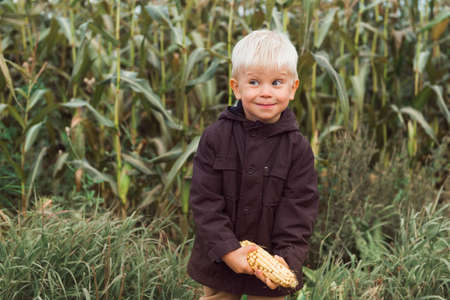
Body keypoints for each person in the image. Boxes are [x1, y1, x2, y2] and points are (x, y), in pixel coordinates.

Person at [187, 29, 319, 300]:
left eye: (277, 83)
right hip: (218, 260)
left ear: (293, 88)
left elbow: (299, 212)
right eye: (255, 82)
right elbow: (205, 201)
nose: (266, 93)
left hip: (270, 264)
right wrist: (228, 250)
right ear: (236, 87)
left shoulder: (298, 150)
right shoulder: (216, 138)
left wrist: (286, 259)